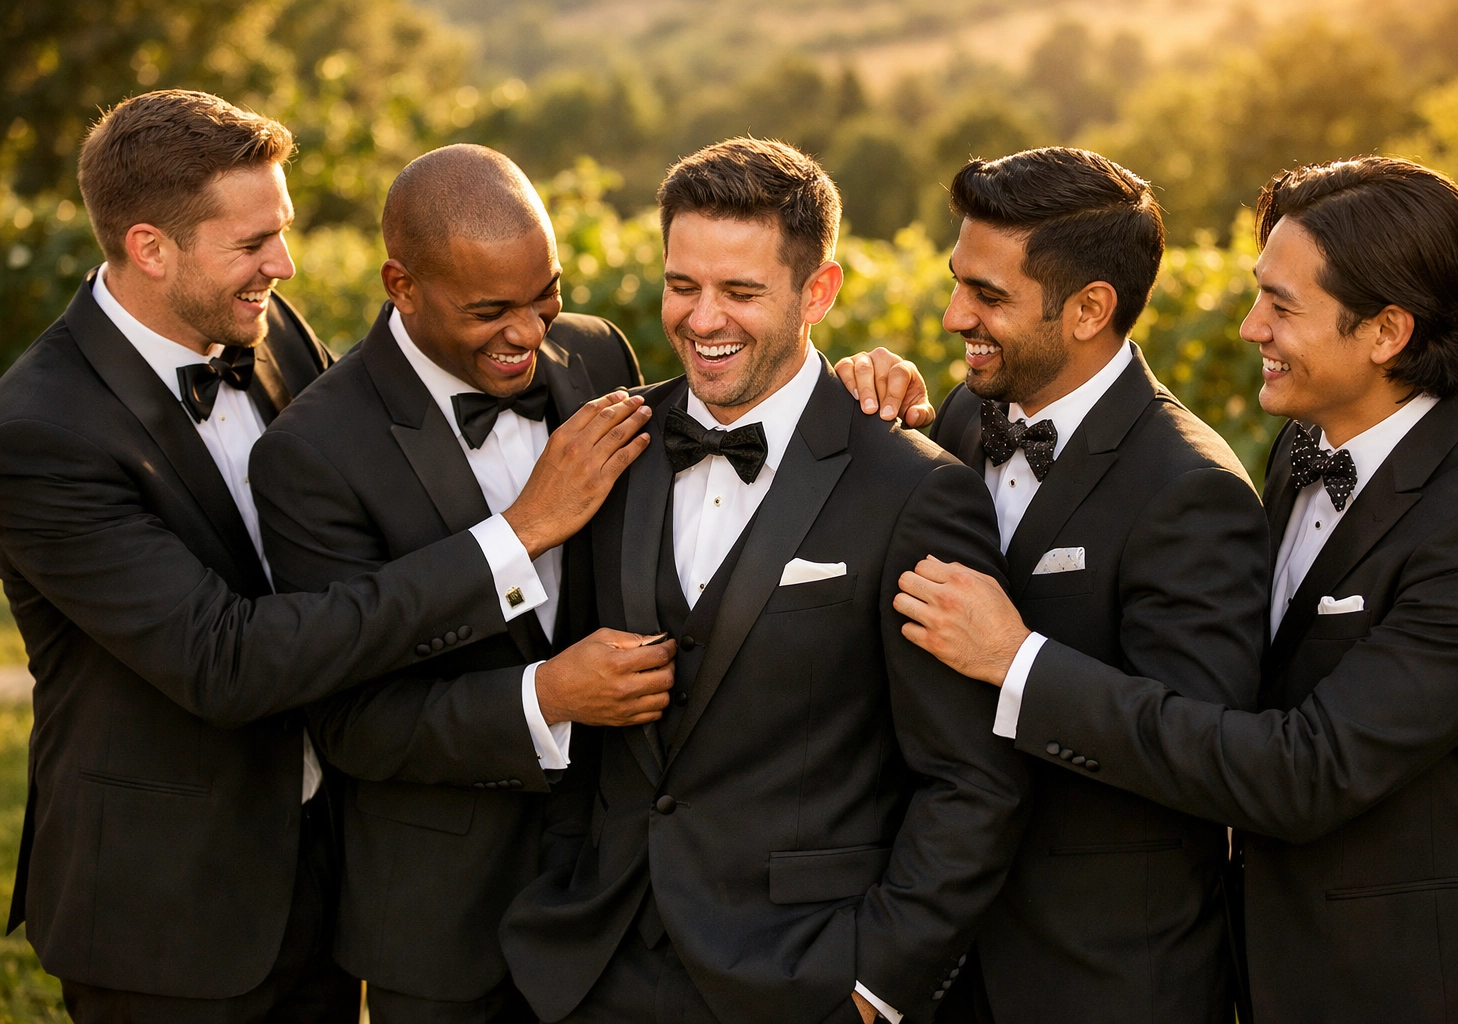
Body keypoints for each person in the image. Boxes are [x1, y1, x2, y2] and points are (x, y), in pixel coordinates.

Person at [0, 91, 643, 1023]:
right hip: (169, 900)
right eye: (253, 243)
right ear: (150, 248)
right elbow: (224, 661)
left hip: (337, 866)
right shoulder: (38, 432)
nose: (285, 265)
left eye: (284, 231)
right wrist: (516, 534)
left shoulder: (267, 332)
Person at [901, 155, 1458, 1023]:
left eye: (1282, 305)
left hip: (1404, 983)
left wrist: (1018, 664)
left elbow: (1303, 773)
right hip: (1258, 964)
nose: (1248, 327)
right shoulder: (1302, 455)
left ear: (1387, 331)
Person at [501, 137, 1028, 1024]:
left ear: (817, 291)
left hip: (803, 978)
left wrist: (875, 983)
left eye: (740, 292)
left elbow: (972, 780)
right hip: (595, 968)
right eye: (683, 286)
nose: (704, 320)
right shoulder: (612, 448)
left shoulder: (913, 488)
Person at [248, 144, 673, 1023]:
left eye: (546, 293)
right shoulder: (312, 454)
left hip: (625, 889)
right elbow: (351, 725)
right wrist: (546, 695)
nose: (530, 331)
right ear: (401, 286)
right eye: (491, 310)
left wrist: (862, 383)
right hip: (441, 924)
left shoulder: (595, 354)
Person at [892, 148, 1270, 1023]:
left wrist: (1017, 661)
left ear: (1091, 308)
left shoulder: (1191, 489)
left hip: (1106, 980)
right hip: (941, 959)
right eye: (959, 283)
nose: (954, 316)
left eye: (988, 297)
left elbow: (1209, 755)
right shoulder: (956, 416)